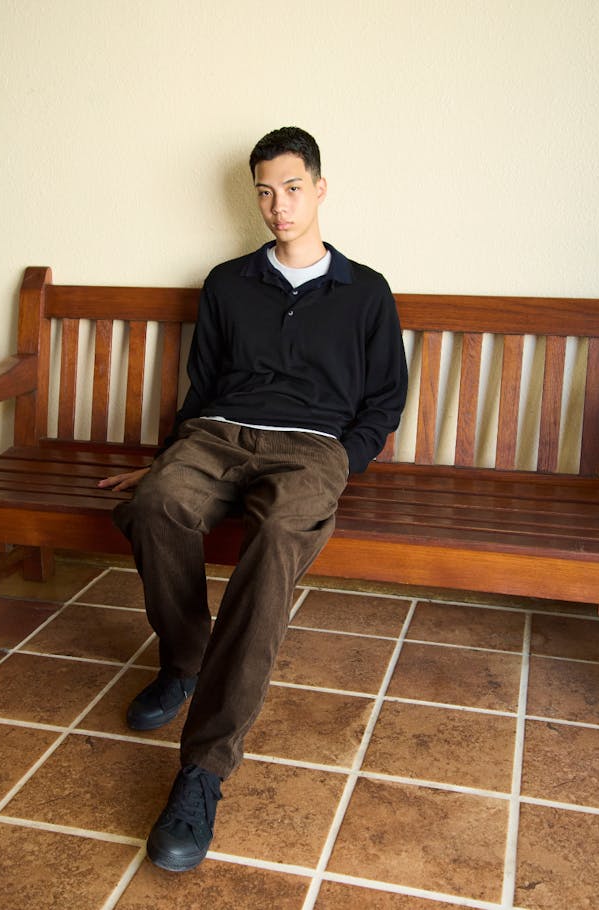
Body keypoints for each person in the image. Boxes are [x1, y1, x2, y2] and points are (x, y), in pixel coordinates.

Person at [99, 126, 408, 873]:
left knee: (273, 545)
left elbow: (384, 399)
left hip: (311, 449)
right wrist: (166, 459)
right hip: (217, 436)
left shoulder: (365, 291)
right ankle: (184, 660)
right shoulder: (228, 282)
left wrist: (343, 459)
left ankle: (203, 770)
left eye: (293, 188)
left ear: (320, 189)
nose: (279, 206)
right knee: (157, 504)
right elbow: (201, 386)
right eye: (265, 192)